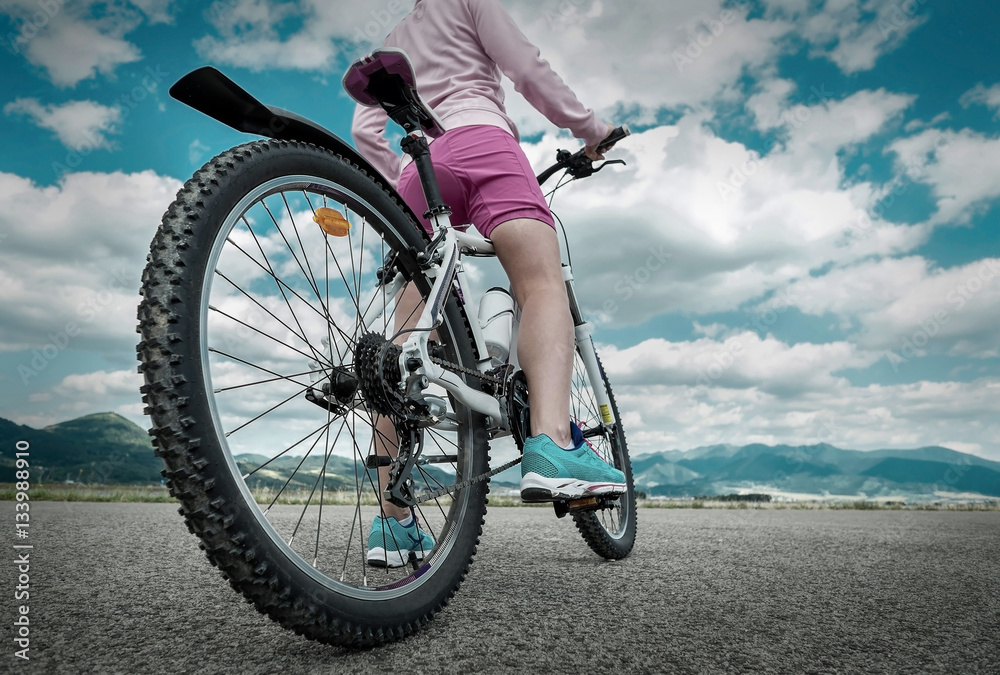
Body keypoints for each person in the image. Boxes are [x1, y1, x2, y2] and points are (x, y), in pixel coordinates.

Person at [351, 0, 625, 568]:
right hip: (483, 140)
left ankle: (393, 526)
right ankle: (551, 442)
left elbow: (365, 128)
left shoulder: (395, 35)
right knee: (541, 284)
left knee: (403, 340)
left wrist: (404, 180)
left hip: (417, 165)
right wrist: (591, 130)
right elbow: (525, 68)